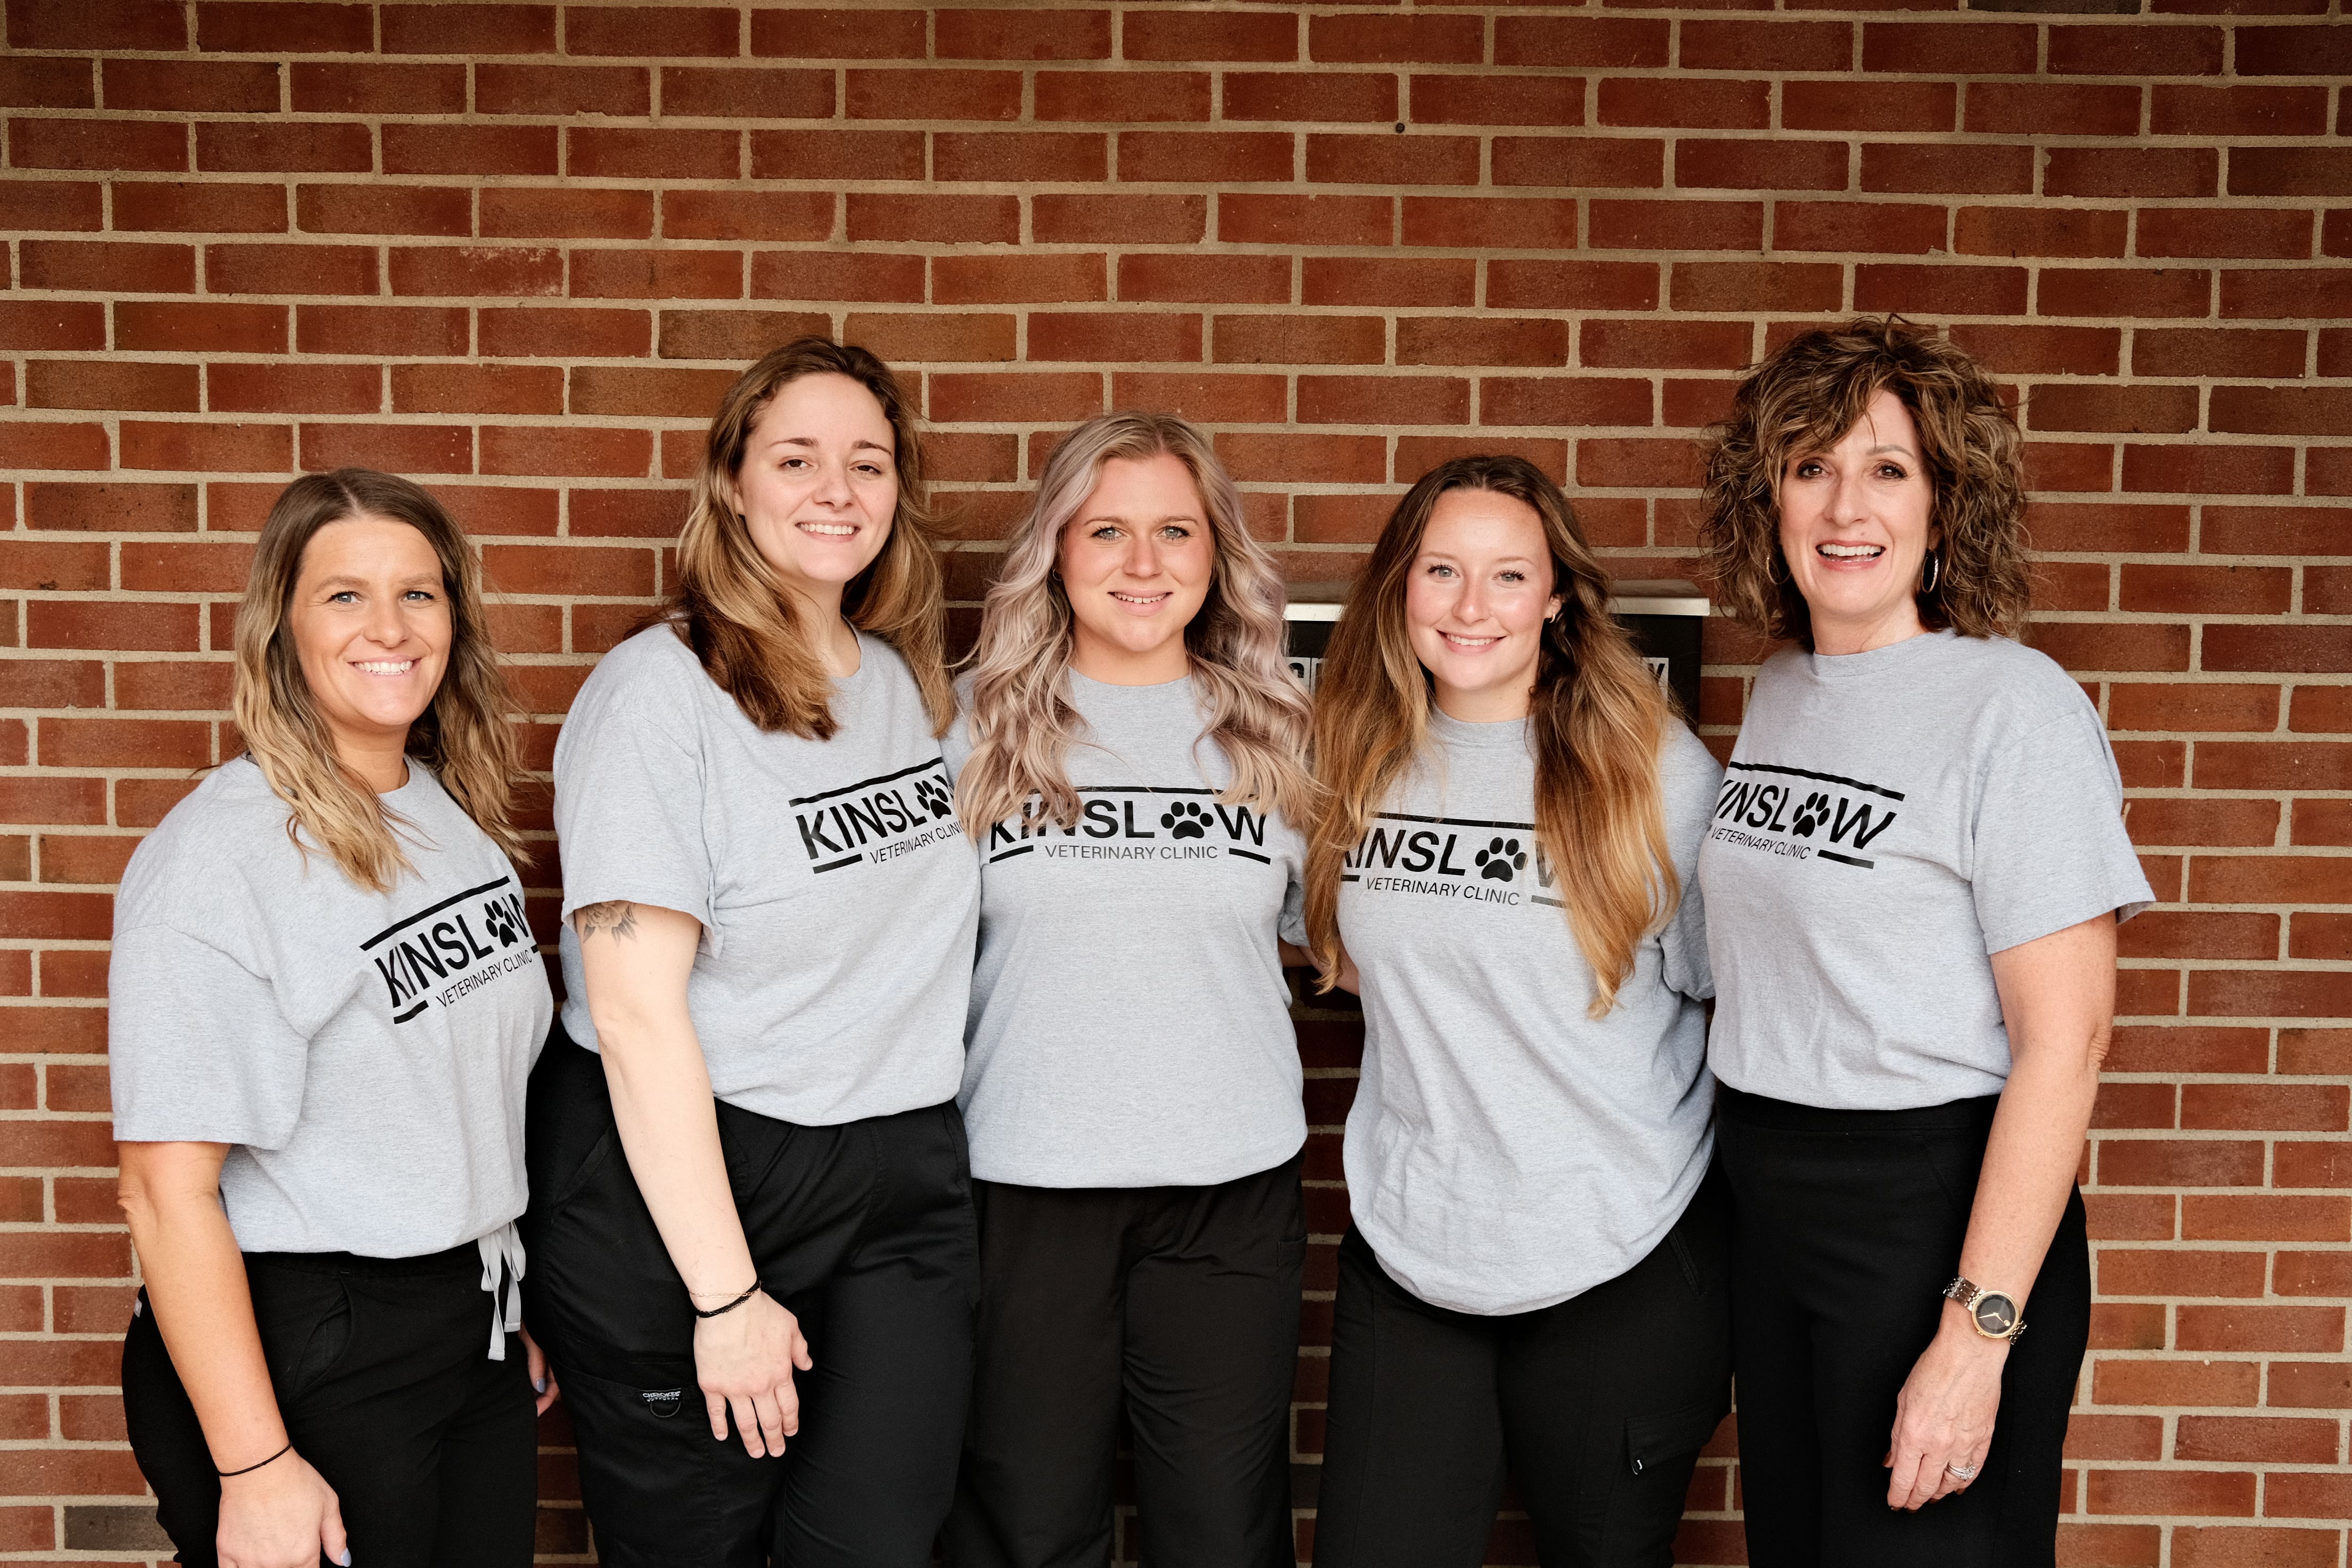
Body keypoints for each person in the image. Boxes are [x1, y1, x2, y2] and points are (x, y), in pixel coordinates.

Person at [1694, 316, 2153, 1567]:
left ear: (1948, 506)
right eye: (1811, 466)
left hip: (1932, 1211)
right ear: (1770, 499)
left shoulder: (2016, 708)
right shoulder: (1785, 691)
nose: (1848, 504)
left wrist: (1976, 1333)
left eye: (1890, 468)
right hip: (1773, 1210)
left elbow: (2070, 1041)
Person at [522, 338, 980, 1567]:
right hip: (704, 1178)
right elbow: (630, 1013)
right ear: (732, 481)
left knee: (880, 1540)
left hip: (902, 1178)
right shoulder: (657, 696)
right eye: (797, 458)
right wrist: (724, 1296)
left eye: (868, 462)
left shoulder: (899, 684)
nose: (838, 490)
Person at [110, 469, 555, 1568]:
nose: (391, 627)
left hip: (468, 1322)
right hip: (308, 1338)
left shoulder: (440, 808)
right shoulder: (221, 856)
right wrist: (255, 1464)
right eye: (346, 595)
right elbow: (165, 1188)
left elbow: (452, 1091)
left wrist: (490, 1279)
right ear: (282, 623)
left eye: (421, 592)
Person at [1302, 454, 1730, 1568]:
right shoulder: (1350, 755)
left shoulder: (1651, 769)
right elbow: (1341, 954)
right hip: (1413, 1253)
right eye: (1442, 569)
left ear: (1556, 596)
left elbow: (1725, 990)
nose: (1472, 605)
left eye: (1508, 574)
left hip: (1616, 1259)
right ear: (1401, 586)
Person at [941, 412, 1319, 1568]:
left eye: (1174, 530)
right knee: (1029, 1526)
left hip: (1229, 1194)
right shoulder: (969, 726)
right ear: (1055, 548)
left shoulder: (1286, 734)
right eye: (1106, 530)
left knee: (1221, 1529)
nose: (1142, 564)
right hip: (1024, 1189)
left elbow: (1352, 944)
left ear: (1218, 553)